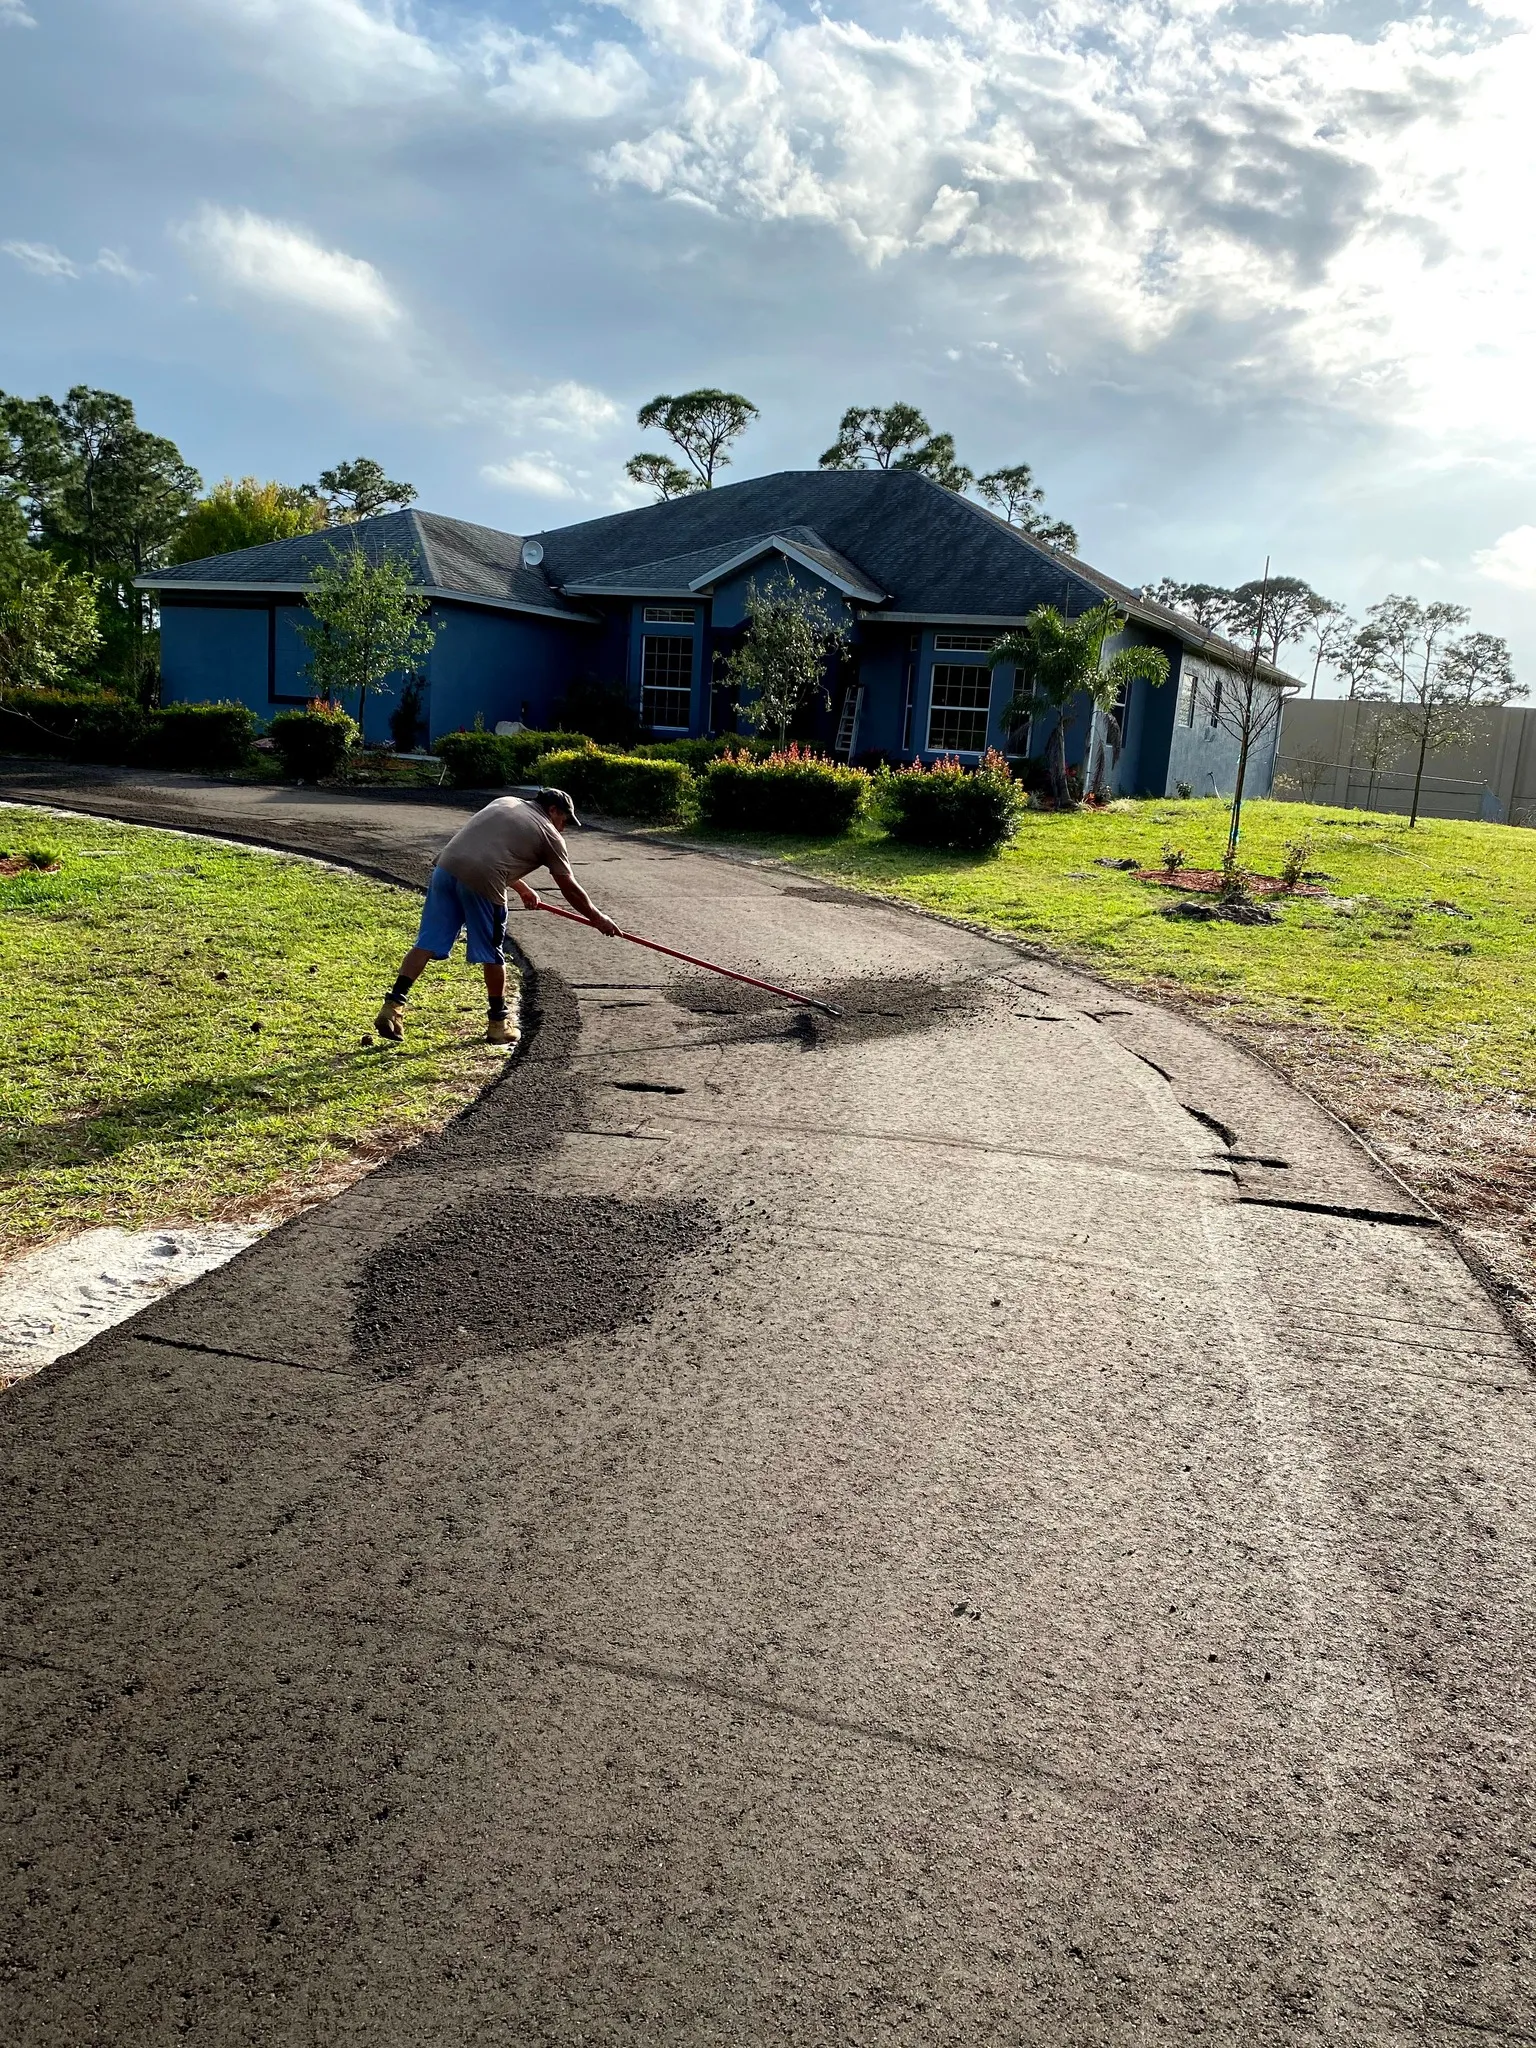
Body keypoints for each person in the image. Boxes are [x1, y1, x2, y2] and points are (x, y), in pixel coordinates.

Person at [375, 786, 620, 1046]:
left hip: (446, 870)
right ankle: (498, 1025)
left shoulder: (505, 802)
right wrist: (597, 917)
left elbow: (487, 849)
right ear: (553, 810)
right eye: (564, 820)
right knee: (493, 953)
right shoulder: (549, 833)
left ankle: (392, 1007)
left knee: (426, 943)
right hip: (482, 882)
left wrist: (522, 887)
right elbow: (568, 886)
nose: (564, 827)